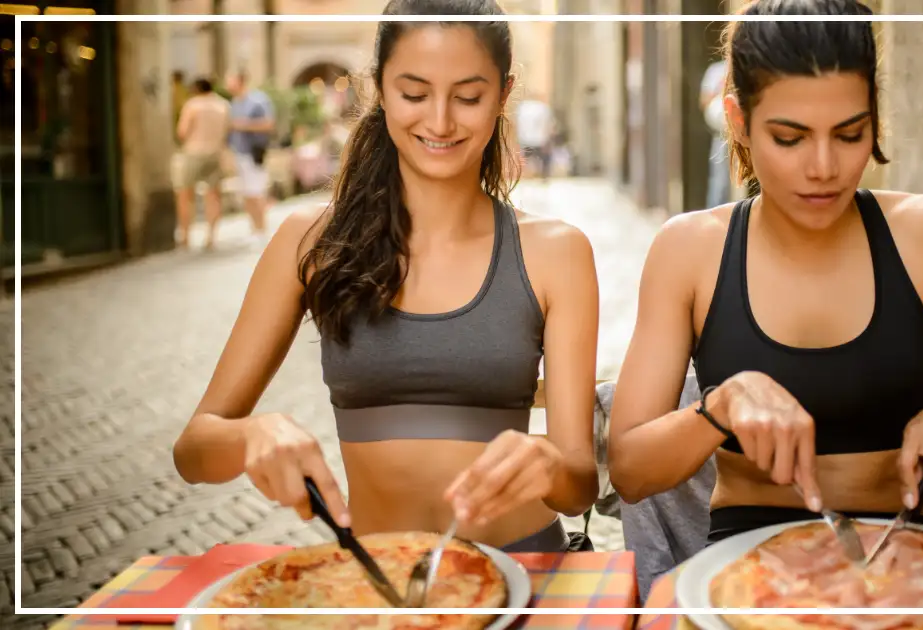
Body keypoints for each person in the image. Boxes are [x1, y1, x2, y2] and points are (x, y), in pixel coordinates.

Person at [607, 0, 923, 548]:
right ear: (738, 121)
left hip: (896, 560)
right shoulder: (690, 249)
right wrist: (718, 407)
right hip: (742, 570)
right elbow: (628, 470)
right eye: (790, 138)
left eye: (849, 134)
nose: (823, 167)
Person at [172, 0, 601, 553]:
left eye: (468, 97)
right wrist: (250, 434)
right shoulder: (310, 242)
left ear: (501, 94)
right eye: (414, 94)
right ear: (377, 89)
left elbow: (579, 486)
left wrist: (549, 464)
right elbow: (193, 451)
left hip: (528, 568)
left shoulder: (556, 252)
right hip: (379, 583)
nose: (441, 121)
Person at [174, 77, 230, 251]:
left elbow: (182, 132)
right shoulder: (223, 105)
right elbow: (227, 131)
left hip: (194, 152)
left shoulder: (193, 105)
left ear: (196, 89)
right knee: (213, 195)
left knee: (185, 194)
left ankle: (185, 236)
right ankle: (211, 237)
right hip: (215, 153)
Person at [225, 69, 274, 246]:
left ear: (240, 81)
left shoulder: (258, 100)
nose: (227, 84)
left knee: (256, 191)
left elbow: (268, 124)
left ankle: (262, 230)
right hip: (240, 153)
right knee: (247, 193)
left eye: (230, 79)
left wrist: (242, 125)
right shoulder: (234, 103)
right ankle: (254, 229)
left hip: (254, 152)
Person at [700, 57, 731, 209]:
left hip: (742, 132)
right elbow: (704, 100)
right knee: (719, 182)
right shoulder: (715, 71)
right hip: (721, 134)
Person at [515, 93, 555, 179]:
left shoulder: (522, 107)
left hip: (525, 138)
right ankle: (543, 175)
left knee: (527, 158)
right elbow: (547, 124)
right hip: (539, 139)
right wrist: (548, 137)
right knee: (544, 158)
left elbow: (518, 124)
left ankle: (525, 175)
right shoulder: (543, 108)